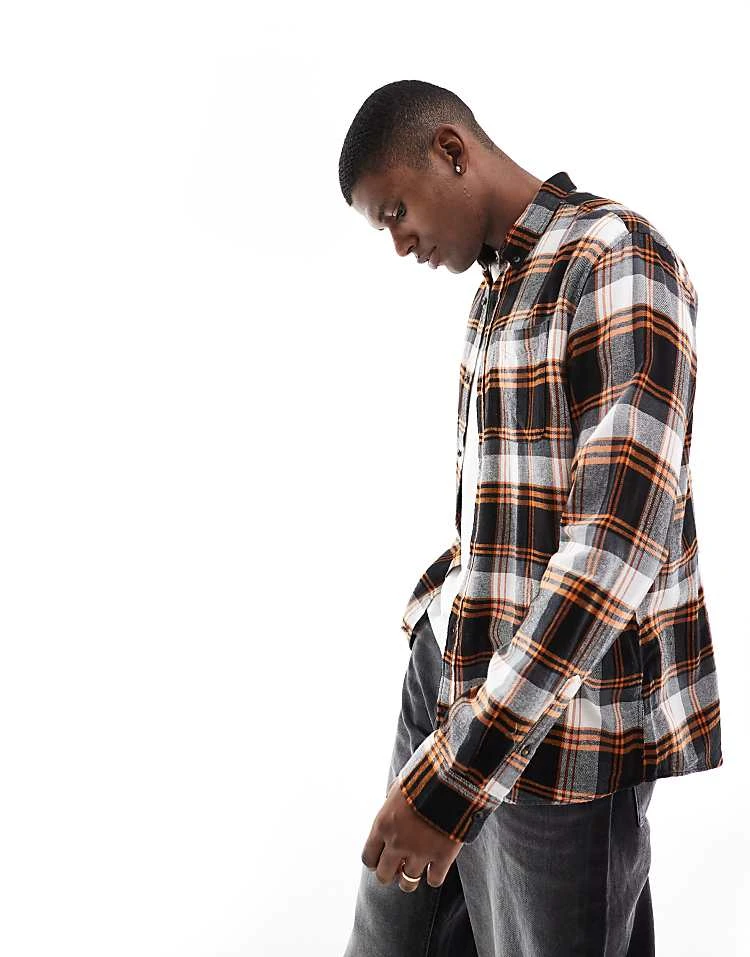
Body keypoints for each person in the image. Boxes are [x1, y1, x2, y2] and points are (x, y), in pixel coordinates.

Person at [338, 79, 723, 956]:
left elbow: (611, 555)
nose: (399, 243)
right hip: (450, 682)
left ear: (450, 150)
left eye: (396, 211)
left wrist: (455, 779)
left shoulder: (618, 259)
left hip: (563, 739)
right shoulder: (495, 290)